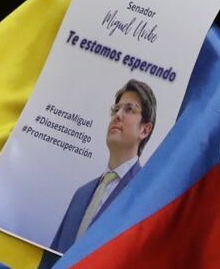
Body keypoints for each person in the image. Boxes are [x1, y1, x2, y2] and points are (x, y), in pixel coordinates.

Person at [49, 79, 156, 255]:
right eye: (116, 109)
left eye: (129, 109)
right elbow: (50, 259)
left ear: (144, 130)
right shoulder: (80, 194)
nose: (118, 115)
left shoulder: (147, 195)